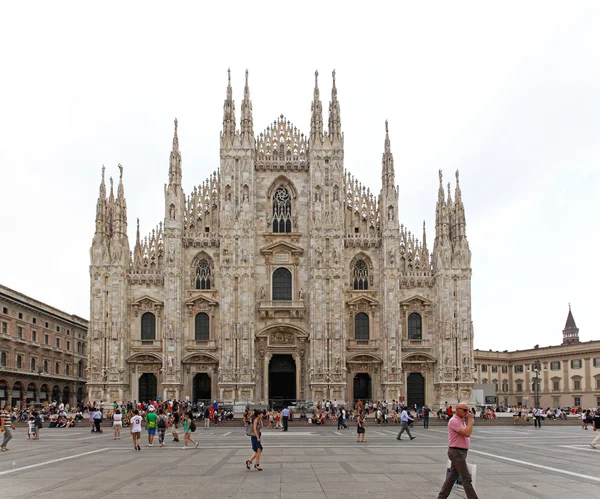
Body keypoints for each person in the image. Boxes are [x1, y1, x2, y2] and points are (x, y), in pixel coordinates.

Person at [437, 402, 479, 499]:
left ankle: (441, 497)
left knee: (452, 477)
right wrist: (470, 419)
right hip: (457, 452)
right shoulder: (454, 421)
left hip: (460, 452)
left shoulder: (461, 420)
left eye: (468, 410)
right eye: (465, 410)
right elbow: (467, 433)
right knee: (466, 478)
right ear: (458, 410)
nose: (467, 412)